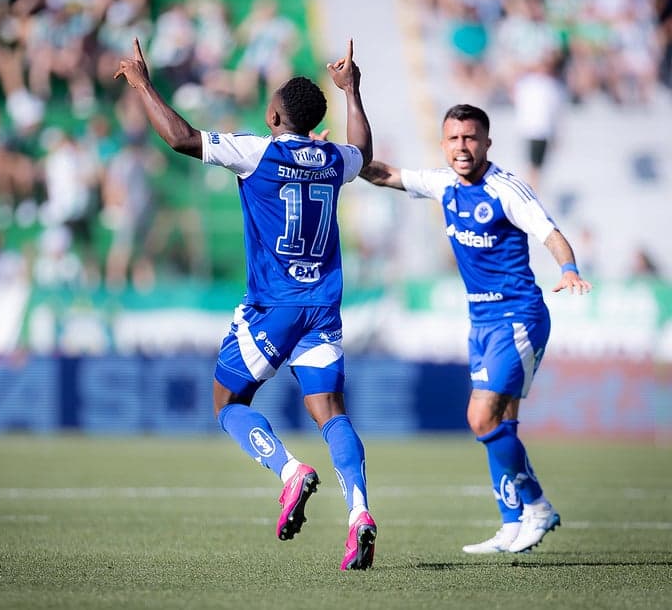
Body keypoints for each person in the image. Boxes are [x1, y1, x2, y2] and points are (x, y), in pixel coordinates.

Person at [115, 38, 377, 570]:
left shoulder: (259, 150)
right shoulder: (333, 159)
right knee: (330, 412)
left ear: (274, 113)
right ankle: (359, 512)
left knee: (228, 403)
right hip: (323, 308)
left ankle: (289, 473)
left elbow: (182, 139)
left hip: (273, 307)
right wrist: (353, 93)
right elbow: (364, 155)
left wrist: (143, 83)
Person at [360, 104, 592, 554]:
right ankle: (511, 521)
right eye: (454, 139)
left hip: (518, 317)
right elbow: (384, 174)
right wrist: (336, 157)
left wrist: (568, 268)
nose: (462, 147)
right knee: (501, 422)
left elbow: (549, 231)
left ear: (487, 143)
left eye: (470, 138)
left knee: (479, 417)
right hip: (481, 322)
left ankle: (537, 506)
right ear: (444, 143)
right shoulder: (442, 182)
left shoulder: (507, 190)